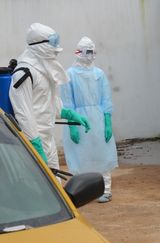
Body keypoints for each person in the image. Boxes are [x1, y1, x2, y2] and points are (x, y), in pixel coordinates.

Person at [9, 23, 90, 172]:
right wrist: (35, 144)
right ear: (39, 46)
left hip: (47, 138)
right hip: (32, 142)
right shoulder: (24, 73)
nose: (56, 50)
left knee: (55, 186)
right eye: (52, 44)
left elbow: (48, 100)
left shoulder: (43, 70)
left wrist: (67, 113)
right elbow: (23, 113)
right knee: (38, 188)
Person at [61, 36, 118, 203]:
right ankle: (81, 191)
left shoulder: (99, 74)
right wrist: (72, 125)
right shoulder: (69, 75)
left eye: (92, 52)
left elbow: (106, 99)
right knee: (79, 154)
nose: (91, 55)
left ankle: (105, 189)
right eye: (88, 52)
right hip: (77, 118)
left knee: (102, 152)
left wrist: (107, 123)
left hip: (98, 118)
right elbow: (67, 102)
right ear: (79, 52)